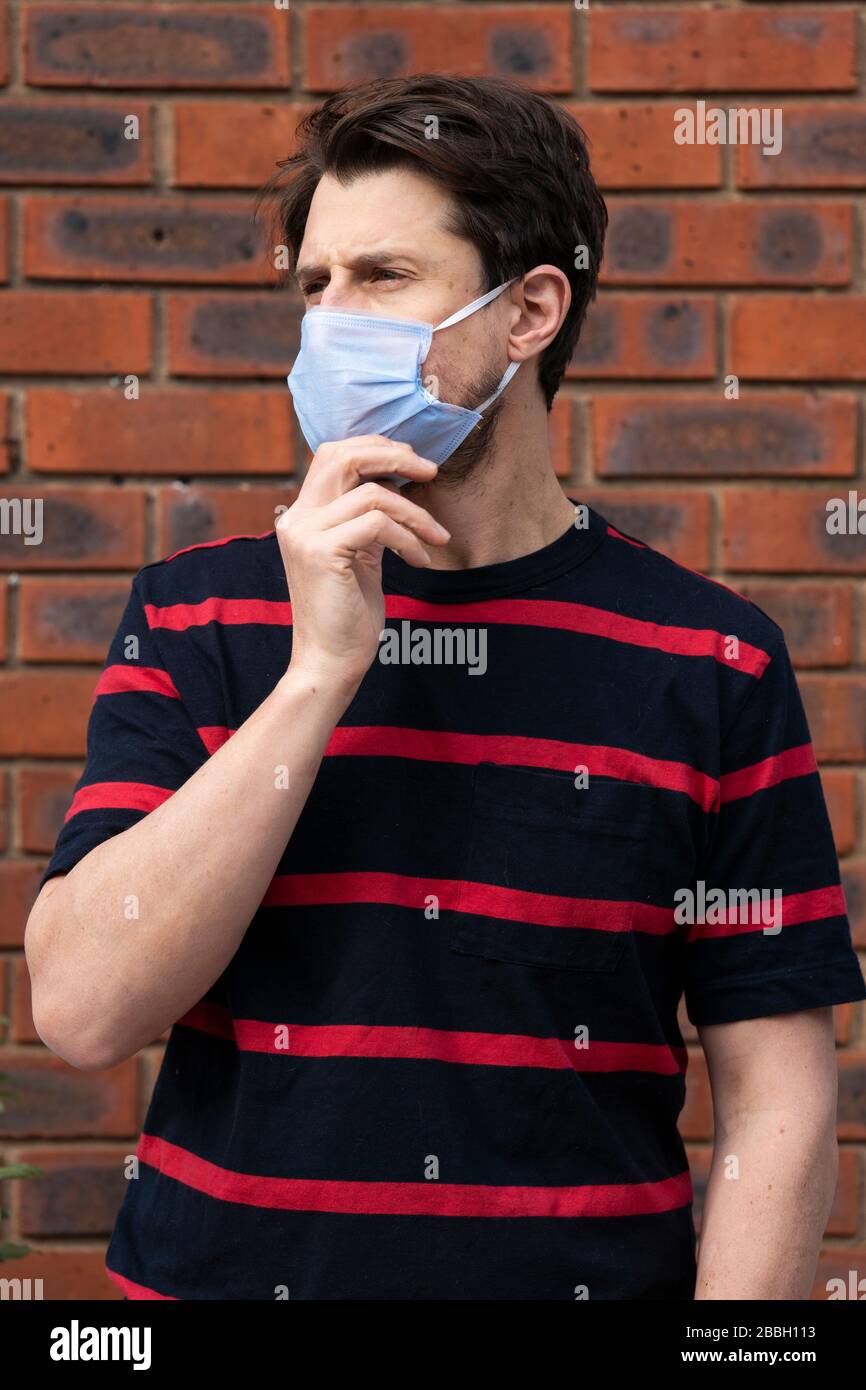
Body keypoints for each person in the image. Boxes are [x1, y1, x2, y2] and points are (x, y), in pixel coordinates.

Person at [25, 74, 865, 1301]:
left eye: (380, 279)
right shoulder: (197, 614)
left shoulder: (710, 658)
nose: (329, 324)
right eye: (313, 286)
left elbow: (776, 1095)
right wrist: (318, 673)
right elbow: (86, 1008)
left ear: (525, 311)